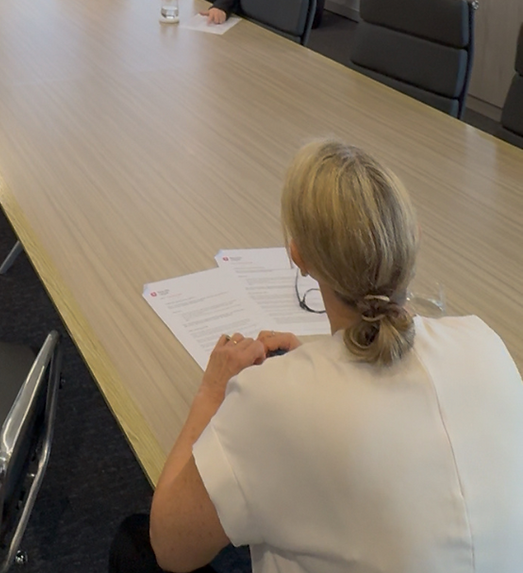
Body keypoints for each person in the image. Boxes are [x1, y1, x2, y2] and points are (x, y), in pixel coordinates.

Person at [113, 139, 523, 573]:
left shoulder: (272, 402)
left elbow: (171, 547)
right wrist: (318, 363)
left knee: (135, 545)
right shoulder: (485, 343)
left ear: (299, 257)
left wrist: (212, 391)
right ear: (414, 238)